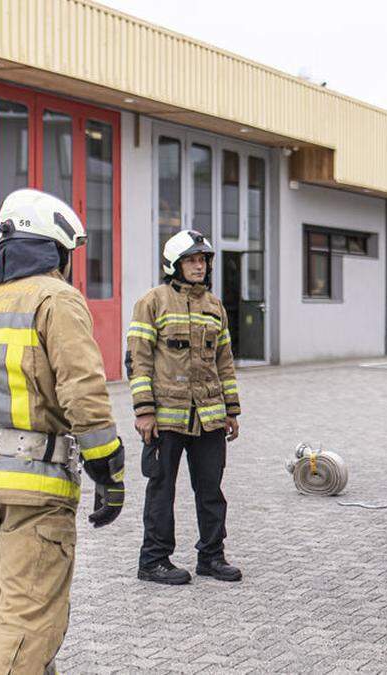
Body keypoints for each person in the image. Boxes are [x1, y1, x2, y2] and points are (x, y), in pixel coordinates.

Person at [0, 188, 125, 673]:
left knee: (13, 618)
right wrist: (108, 471)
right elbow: (83, 390)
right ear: (54, 249)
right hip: (36, 494)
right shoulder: (57, 300)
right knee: (27, 626)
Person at [128, 230, 242, 585]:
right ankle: (154, 560)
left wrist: (231, 410)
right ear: (174, 264)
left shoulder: (214, 306)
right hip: (165, 418)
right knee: (161, 489)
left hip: (208, 417)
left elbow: (225, 362)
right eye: (192, 260)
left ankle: (211, 556)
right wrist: (144, 410)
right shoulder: (153, 302)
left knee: (211, 490)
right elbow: (138, 360)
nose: (199, 265)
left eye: (203, 260)